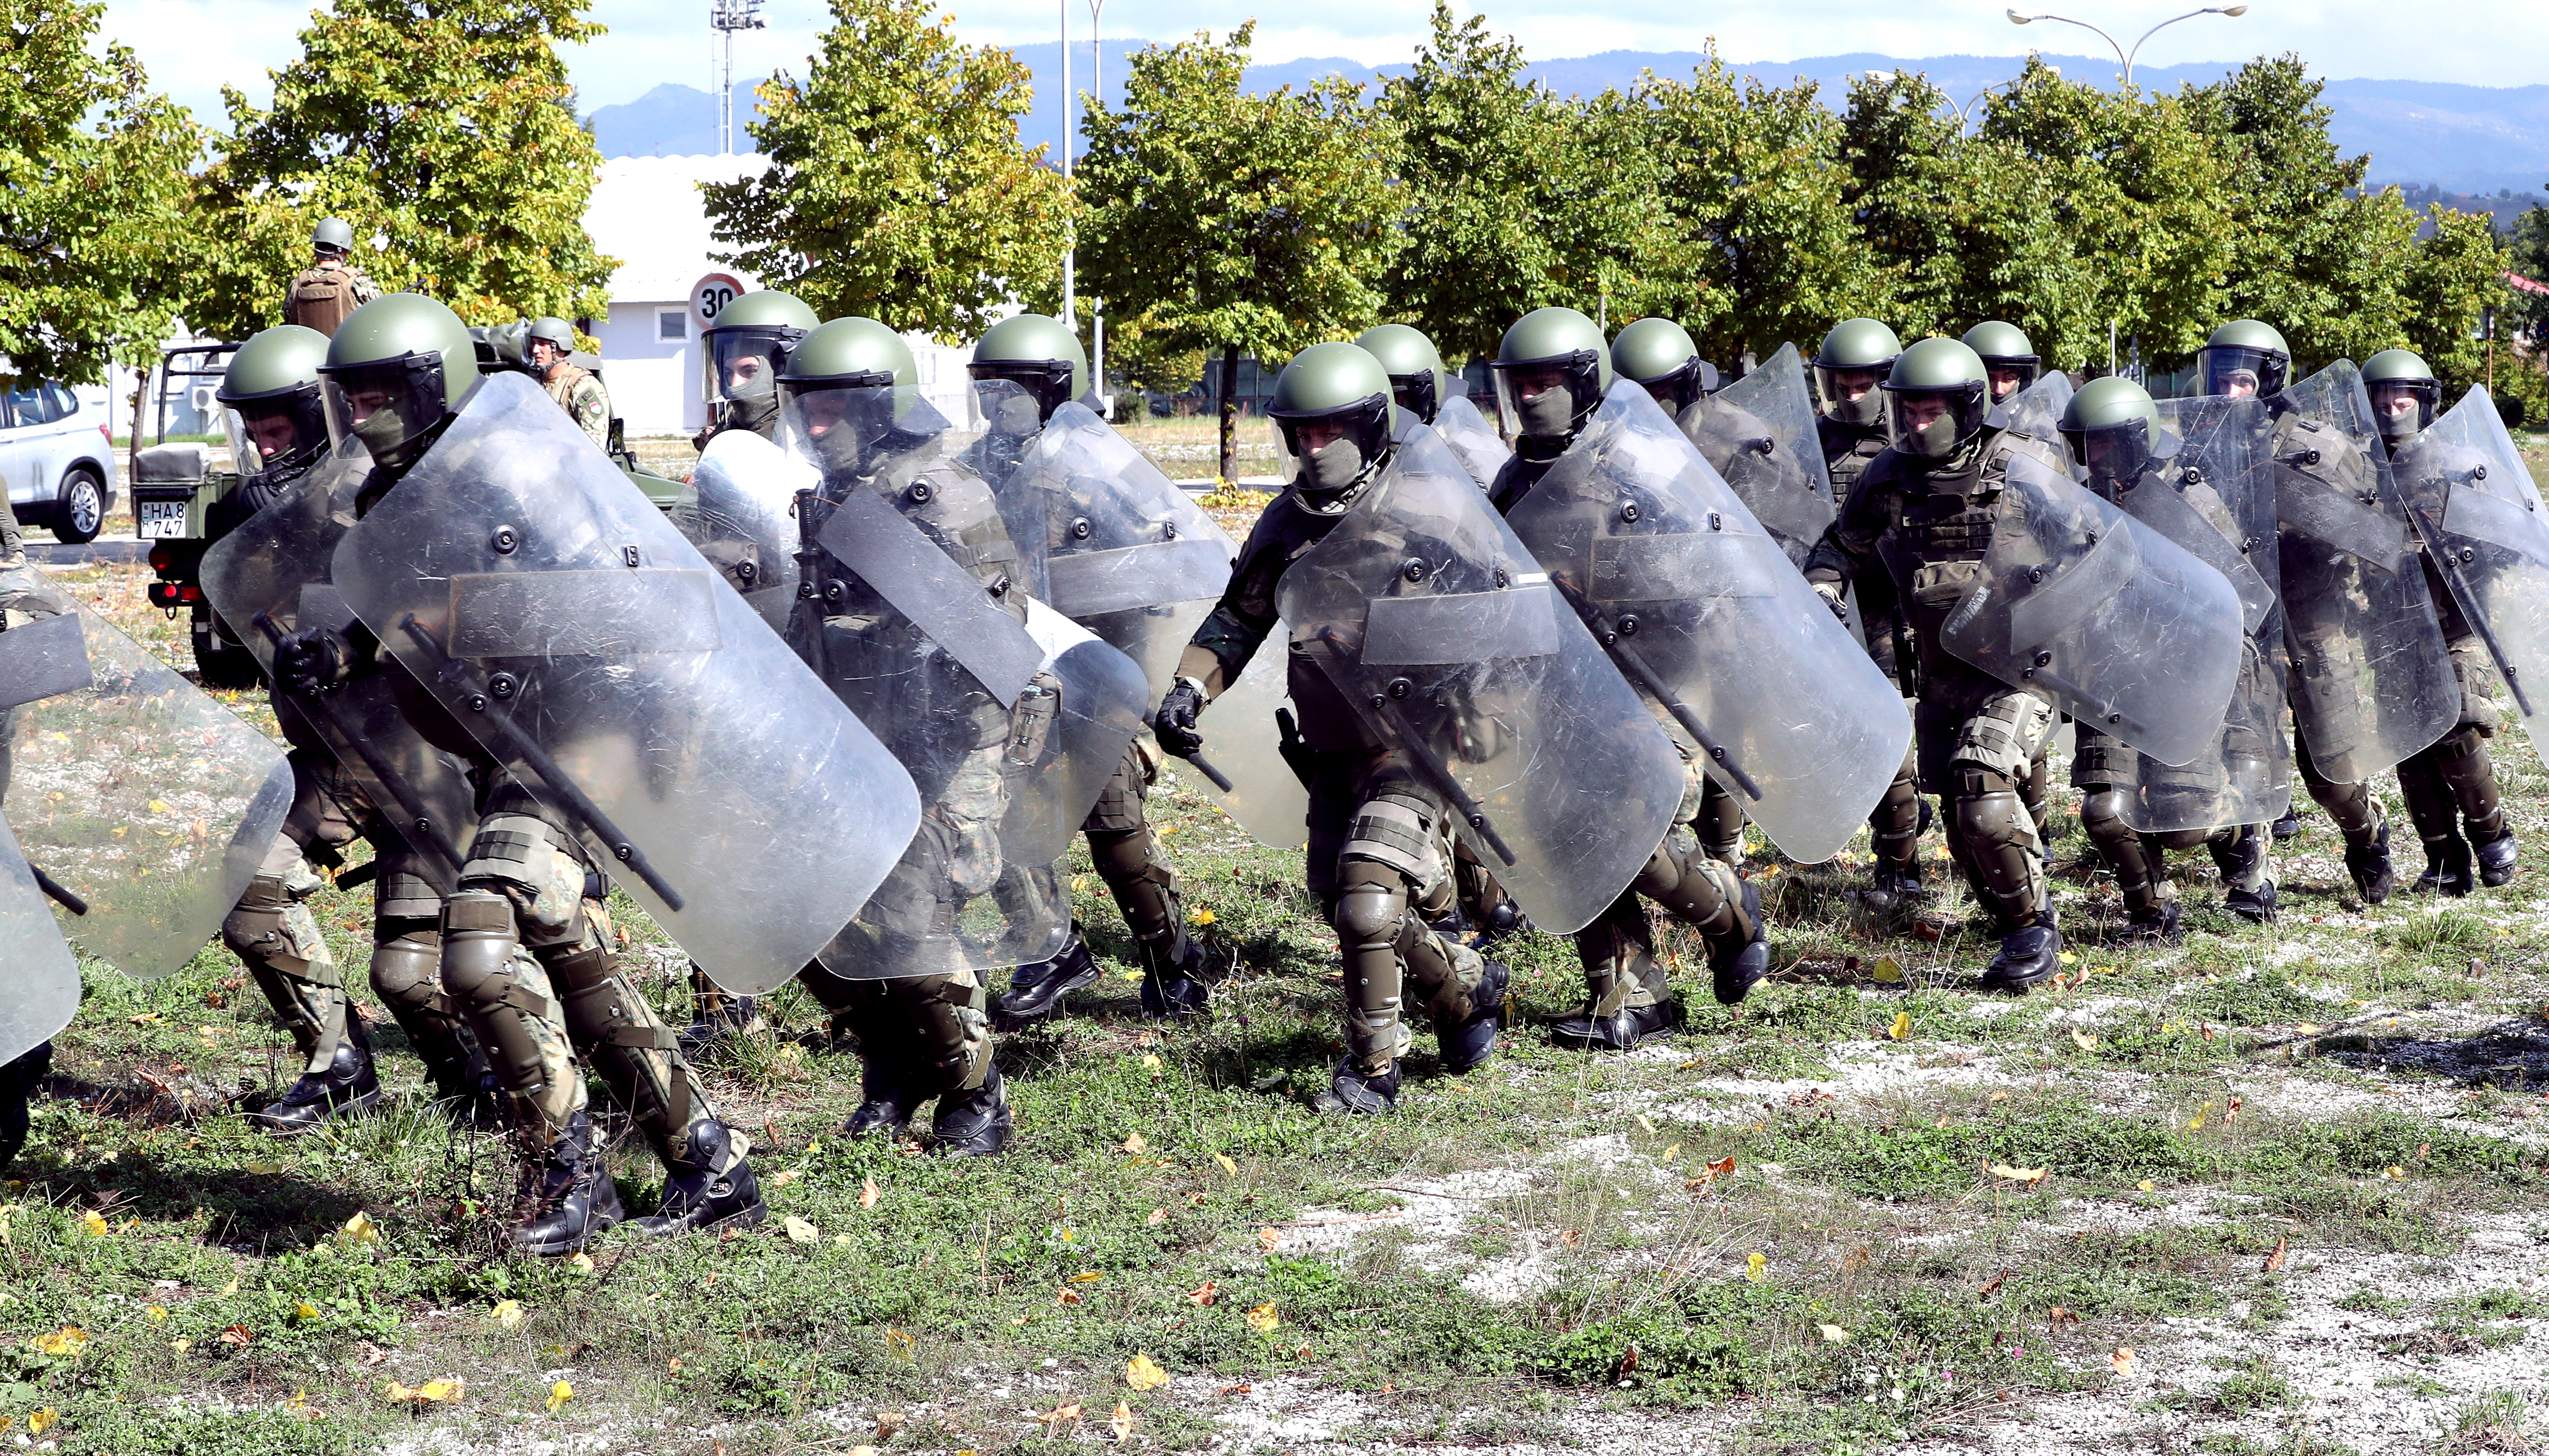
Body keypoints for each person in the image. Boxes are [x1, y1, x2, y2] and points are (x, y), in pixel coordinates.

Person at [292, 293, 765, 1253]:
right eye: (355, 397)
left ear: (433, 391)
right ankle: (707, 1159)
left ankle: (569, 1172)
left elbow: (613, 602)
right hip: (504, 747)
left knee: (479, 941)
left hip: (590, 734)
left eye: (384, 394)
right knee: (567, 953)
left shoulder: (517, 468)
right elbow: (410, 604)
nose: (366, 417)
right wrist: (340, 650)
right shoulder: (392, 500)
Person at [1157, 343, 1512, 1111]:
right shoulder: (1285, 521)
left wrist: (1474, 709)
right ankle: (1467, 989)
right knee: (1343, 903)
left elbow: (1503, 622)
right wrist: (1189, 688)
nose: (1312, 448)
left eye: (1329, 431)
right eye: (1300, 433)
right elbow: (1240, 615)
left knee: (1367, 901)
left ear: (1370, 426)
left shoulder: (1432, 508)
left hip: (1413, 747)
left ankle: (1371, 1073)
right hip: (1329, 749)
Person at [777, 316, 1052, 1155]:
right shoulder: (833, 496)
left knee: (907, 912)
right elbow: (810, 627)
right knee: (812, 920)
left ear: (881, 407)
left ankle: (975, 1095)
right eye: (806, 409)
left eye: (832, 409)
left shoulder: (937, 498)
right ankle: (891, 1067)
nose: (815, 426)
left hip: (957, 737)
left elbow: (993, 651)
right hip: (865, 734)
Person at [206, 325, 492, 1132]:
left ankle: (476, 1082)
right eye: (252, 432)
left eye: (278, 430)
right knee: (244, 874)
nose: (264, 450)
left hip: (430, 760)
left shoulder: (408, 493)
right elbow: (246, 634)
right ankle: (337, 1061)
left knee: (409, 975)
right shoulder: (269, 513)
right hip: (338, 754)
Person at [1483, 307, 1769, 1046]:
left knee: (1632, 832)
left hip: (1655, 672)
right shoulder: (1516, 475)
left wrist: (1600, 577)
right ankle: (1630, 997)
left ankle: (1726, 911)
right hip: (1561, 682)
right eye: (1520, 385)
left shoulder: (1642, 457)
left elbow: (1709, 558)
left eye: (1545, 382)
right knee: (1567, 836)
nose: (1530, 398)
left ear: (1581, 384)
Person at [960, 313, 1219, 1028]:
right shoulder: (971, 473)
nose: (994, 404)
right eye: (984, 388)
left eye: (1009, 389)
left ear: (1052, 390)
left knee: (1117, 836)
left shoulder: (1098, 470)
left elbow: (1155, 572)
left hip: (1093, 677)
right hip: (1009, 680)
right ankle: (1049, 949)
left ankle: (1173, 962)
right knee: (1001, 819)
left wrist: (1124, 676)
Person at [1803, 338, 2071, 990]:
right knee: (1959, 819)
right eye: (1908, 411)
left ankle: (2032, 934)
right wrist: (1821, 586)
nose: (1916, 425)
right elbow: (1843, 542)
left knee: (1980, 784)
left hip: (2019, 668)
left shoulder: (2024, 466)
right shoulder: (1888, 476)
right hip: (1942, 669)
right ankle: (2017, 911)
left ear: (1968, 408)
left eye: (1930, 412)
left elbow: (2086, 552)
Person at [2058, 378, 2281, 939]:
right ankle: (2151, 914)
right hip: (2108, 676)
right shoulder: (2075, 505)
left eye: (2107, 443)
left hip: (2183, 674)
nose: (2096, 458)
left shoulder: (2188, 497)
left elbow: (2234, 595)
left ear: (2139, 439)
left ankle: (2239, 835)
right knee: (2106, 811)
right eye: (2087, 445)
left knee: (2183, 825)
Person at [2370, 348, 2521, 893]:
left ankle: (2491, 833)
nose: (2391, 405)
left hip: (2453, 623)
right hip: (2389, 627)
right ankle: (2442, 856)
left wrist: (2469, 552)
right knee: (2409, 745)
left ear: (2426, 399)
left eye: (2402, 393)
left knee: (2457, 728)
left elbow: (2507, 534)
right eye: (2381, 394)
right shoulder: (2356, 469)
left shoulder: (2458, 461)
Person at [1813, 318, 1928, 912]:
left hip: (1903, 610)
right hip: (1832, 607)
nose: (1853, 394)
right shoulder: (1808, 443)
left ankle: (1901, 861)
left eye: (1866, 383)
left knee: (1897, 741)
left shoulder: (1914, 446)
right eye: (1844, 383)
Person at [694, 290, 819, 450]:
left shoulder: (813, 440)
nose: (734, 385)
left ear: (787, 368)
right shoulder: (725, 434)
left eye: (749, 371)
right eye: (728, 373)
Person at [281, 219, 380, 338]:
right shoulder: (359, 282)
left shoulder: (298, 284)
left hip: (311, 355)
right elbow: (383, 320)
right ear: (344, 250)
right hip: (348, 356)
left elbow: (288, 322)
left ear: (316, 247)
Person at [526, 317, 610, 452]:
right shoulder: (533, 385)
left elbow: (594, 448)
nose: (536, 350)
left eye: (542, 344)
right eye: (534, 344)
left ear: (560, 348)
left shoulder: (582, 387)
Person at [1961, 322, 2041, 406]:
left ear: (2024, 380)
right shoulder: (1952, 419)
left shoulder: (2037, 419)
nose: (1999, 390)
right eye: (1990, 380)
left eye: (2009, 379)